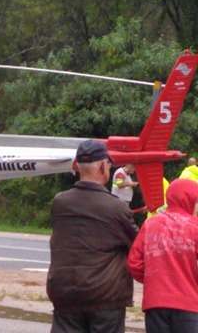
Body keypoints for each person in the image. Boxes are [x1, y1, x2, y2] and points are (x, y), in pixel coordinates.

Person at [47, 139, 138, 333]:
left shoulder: (59, 202)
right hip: (104, 296)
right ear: (104, 166)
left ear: (76, 166)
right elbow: (136, 245)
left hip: (65, 293)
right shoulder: (116, 208)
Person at [127, 179, 198, 332]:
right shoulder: (195, 226)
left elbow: (134, 262)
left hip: (155, 301)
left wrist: (152, 279)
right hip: (188, 301)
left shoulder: (150, 224)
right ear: (190, 199)